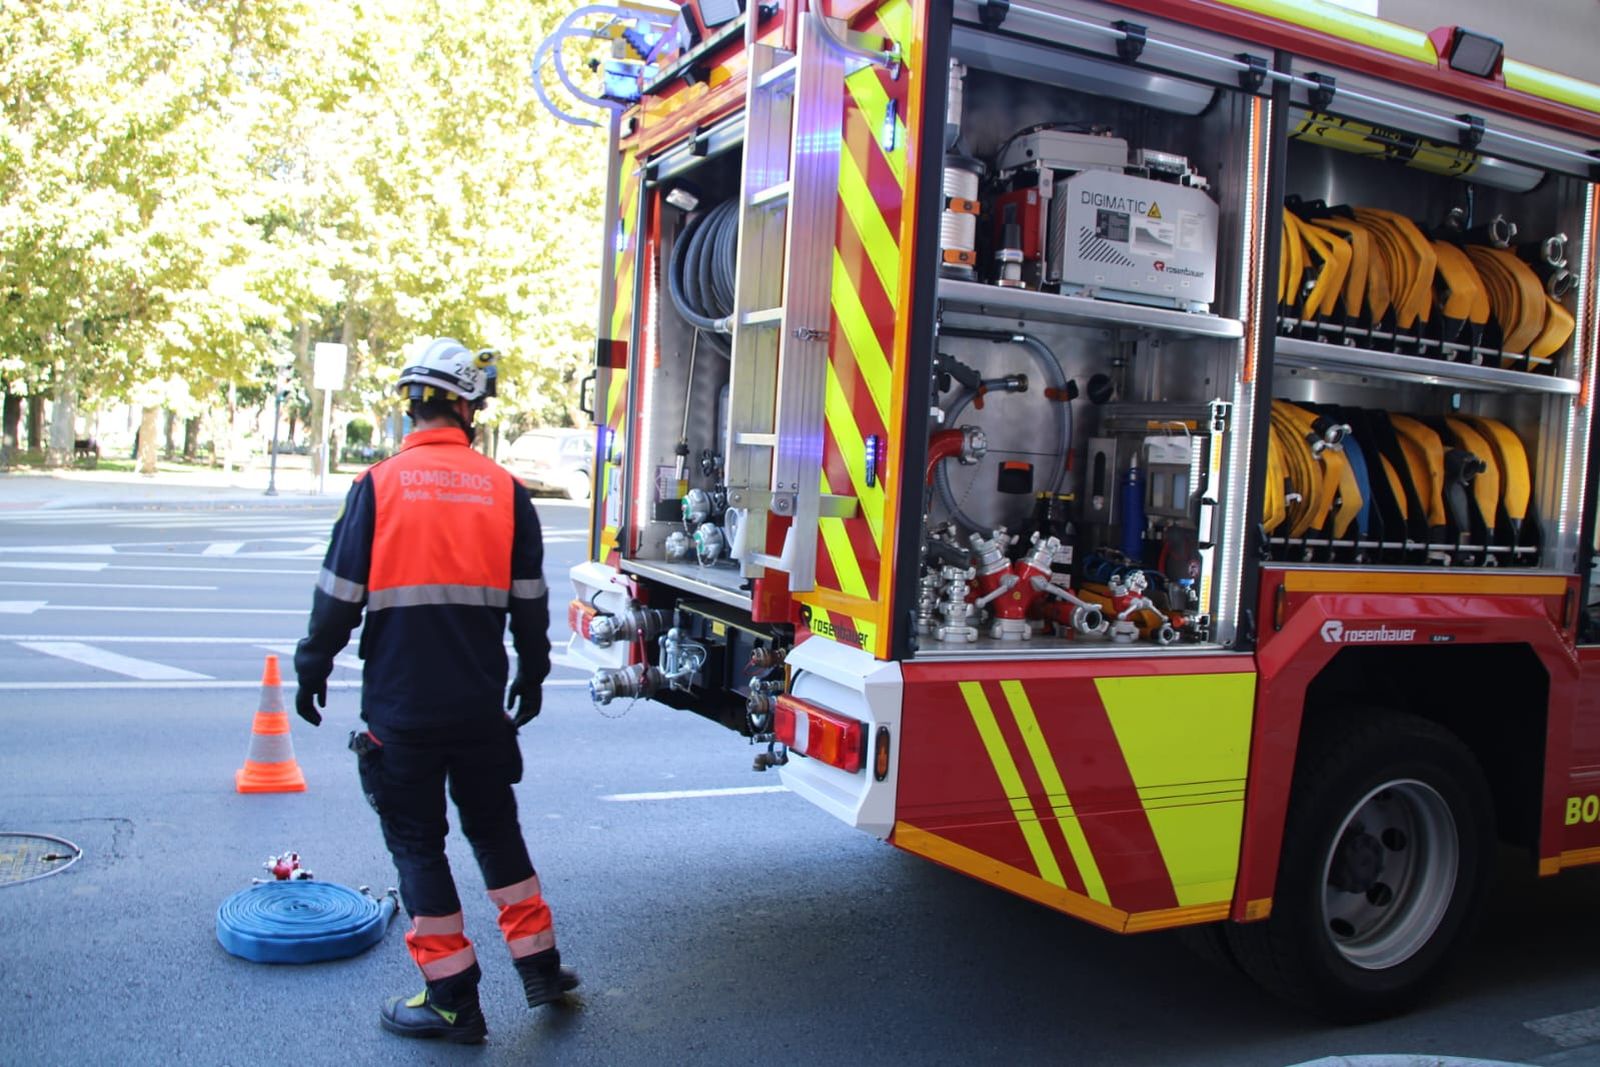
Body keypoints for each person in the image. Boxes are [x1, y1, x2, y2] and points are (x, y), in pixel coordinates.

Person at [293, 337, 576, 1044]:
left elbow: (338, 596)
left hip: (403, 710)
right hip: (481, 706)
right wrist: (532, 674)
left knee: (418, 845)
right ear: (466, 409)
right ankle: (539, 968)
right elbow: (531, 603)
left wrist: (312, 665)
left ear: (412, 408)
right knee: (495, 830)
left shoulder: (379, 485)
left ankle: (451, 997)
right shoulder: (505, 491)